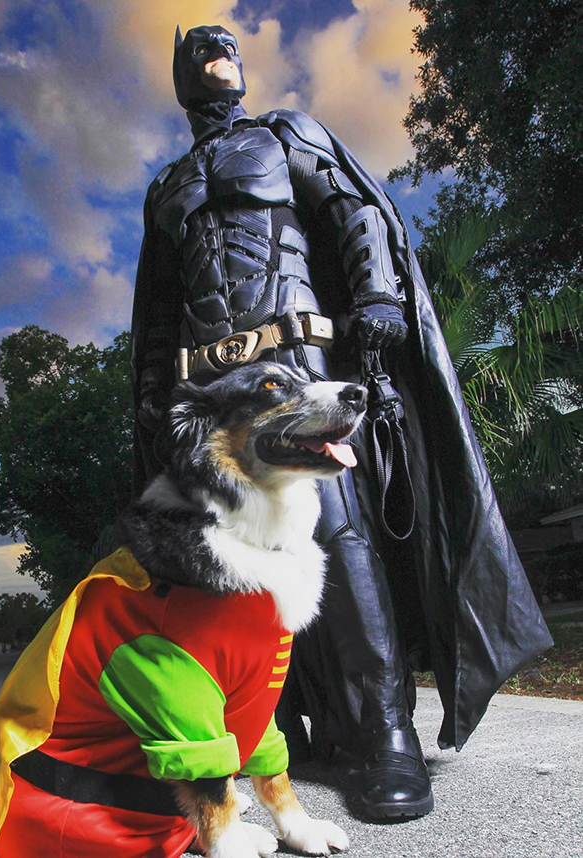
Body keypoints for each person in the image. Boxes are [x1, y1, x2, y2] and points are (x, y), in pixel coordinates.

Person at [130, 23, 552, 819]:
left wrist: (380, 297)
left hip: (302, 358)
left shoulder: (286, 133)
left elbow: (356, 210)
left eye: (229, 48)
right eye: (203, 51)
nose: (221, 52)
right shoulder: (168, 186)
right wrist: (155, 393)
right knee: (220, 557)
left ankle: (387, 733)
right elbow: (157, 312)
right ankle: (264, 725)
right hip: (216, 390)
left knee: (338, 530)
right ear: (185, 79)